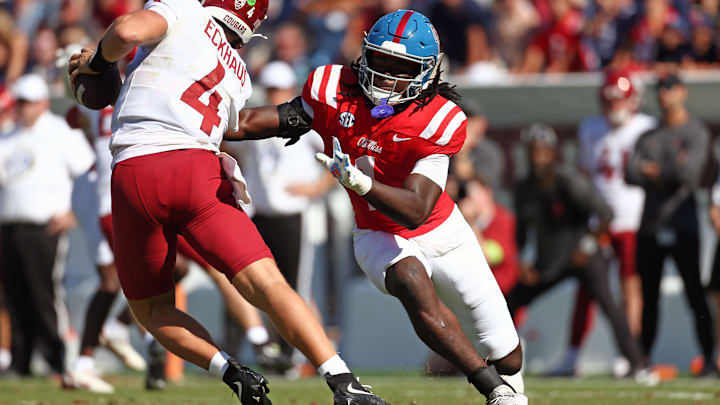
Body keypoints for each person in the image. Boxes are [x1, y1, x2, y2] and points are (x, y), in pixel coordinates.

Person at [68, 1, 389, 404]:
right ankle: (345, 383)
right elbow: (218, 122)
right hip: (199, 172)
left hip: (137, 172)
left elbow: (127, 33)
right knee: (268, 283)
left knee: (150, 310)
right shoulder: (240, 76)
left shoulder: (183, 10)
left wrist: (98, 60)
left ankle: (231, 370)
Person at [226, 10, 528, 405]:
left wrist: (361, 183)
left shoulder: (438, 118)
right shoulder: (335, 91)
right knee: (409, 279)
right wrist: (194, 124)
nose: (386, 75)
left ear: (426, 73)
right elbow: (257, 121)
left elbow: (417, 209)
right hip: (378, 233)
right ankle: (493, 391)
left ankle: (508, 387)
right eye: (380, 61)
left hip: (443, 233)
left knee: (509, 355)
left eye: (400, 67)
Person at [505, 123, 656, 384]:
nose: (537, 157)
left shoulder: (568, 181)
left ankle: (639, 365)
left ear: (553, 153)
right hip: (550, 260)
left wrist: (586, 246)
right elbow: (521, 230)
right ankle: (495, 360)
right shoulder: (525, 188)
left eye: (542, 151)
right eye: (532, 151)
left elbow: (605, 215)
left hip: (584, 257)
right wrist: (523, 260)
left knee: (610, 307)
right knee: (509, 302)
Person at [223, 60, 335, 375]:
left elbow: (336, 153)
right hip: (259, 213)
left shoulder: (304, 121)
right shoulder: (259, 120)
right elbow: (228, 146)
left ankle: (290, 355)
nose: (274, 93)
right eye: (271, 88)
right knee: (251, 282)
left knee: (293, 285)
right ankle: (248, 349)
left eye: (279, 88)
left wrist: (316, 188)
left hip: (292, 214)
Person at [552, 70, 657, 376]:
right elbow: (585, 174)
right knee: (587, 287)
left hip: (632, 218)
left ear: (634, 99)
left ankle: (629, 354)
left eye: (618, 99)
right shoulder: (591, 128)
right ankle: (573, 354)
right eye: (609, 100)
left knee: (629, 287)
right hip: (598, 221)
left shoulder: (646, 127)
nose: (613, 107)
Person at [0, 74, 95, 377]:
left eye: (27, 102)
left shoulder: (61, 132)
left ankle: (57, 359)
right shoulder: (7, 135)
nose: (22, 108)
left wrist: (73, 214)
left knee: (44, 296)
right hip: (9, 227)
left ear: (42, 103)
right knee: (14, 298)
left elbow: (88, 174)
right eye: (20, 103)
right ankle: (21, 360)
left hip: (45, 228)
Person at [625, 73, 716, 375]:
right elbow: (630, 172)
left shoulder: (695, 131)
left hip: (684, 224)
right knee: (649, 297)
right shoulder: (648, 134)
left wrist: (654, 171)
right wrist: (665, 170)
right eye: (660, 89)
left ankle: (709, 358)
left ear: (682, 92)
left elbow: (689, 174)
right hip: (650, 225)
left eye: (669, 88)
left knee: (694, 294)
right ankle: (643, 361)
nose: (664, 95)